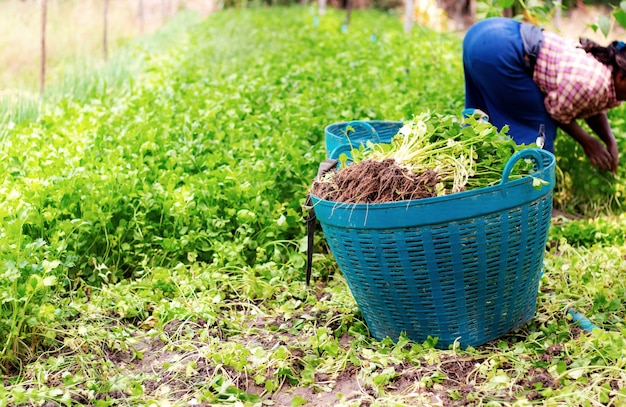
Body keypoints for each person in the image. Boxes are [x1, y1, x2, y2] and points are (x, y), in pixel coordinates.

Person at [462, 17, 626, 173]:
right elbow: (557, 112)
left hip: (483, 34)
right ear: (620, 78)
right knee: (538, 131)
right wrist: (588, 142)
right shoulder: (593, 83)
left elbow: (594, 111)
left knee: (479, 121)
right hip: (501, 51)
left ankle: (468, 172)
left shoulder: (604, 72)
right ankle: (530, 192)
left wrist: (610, 141)